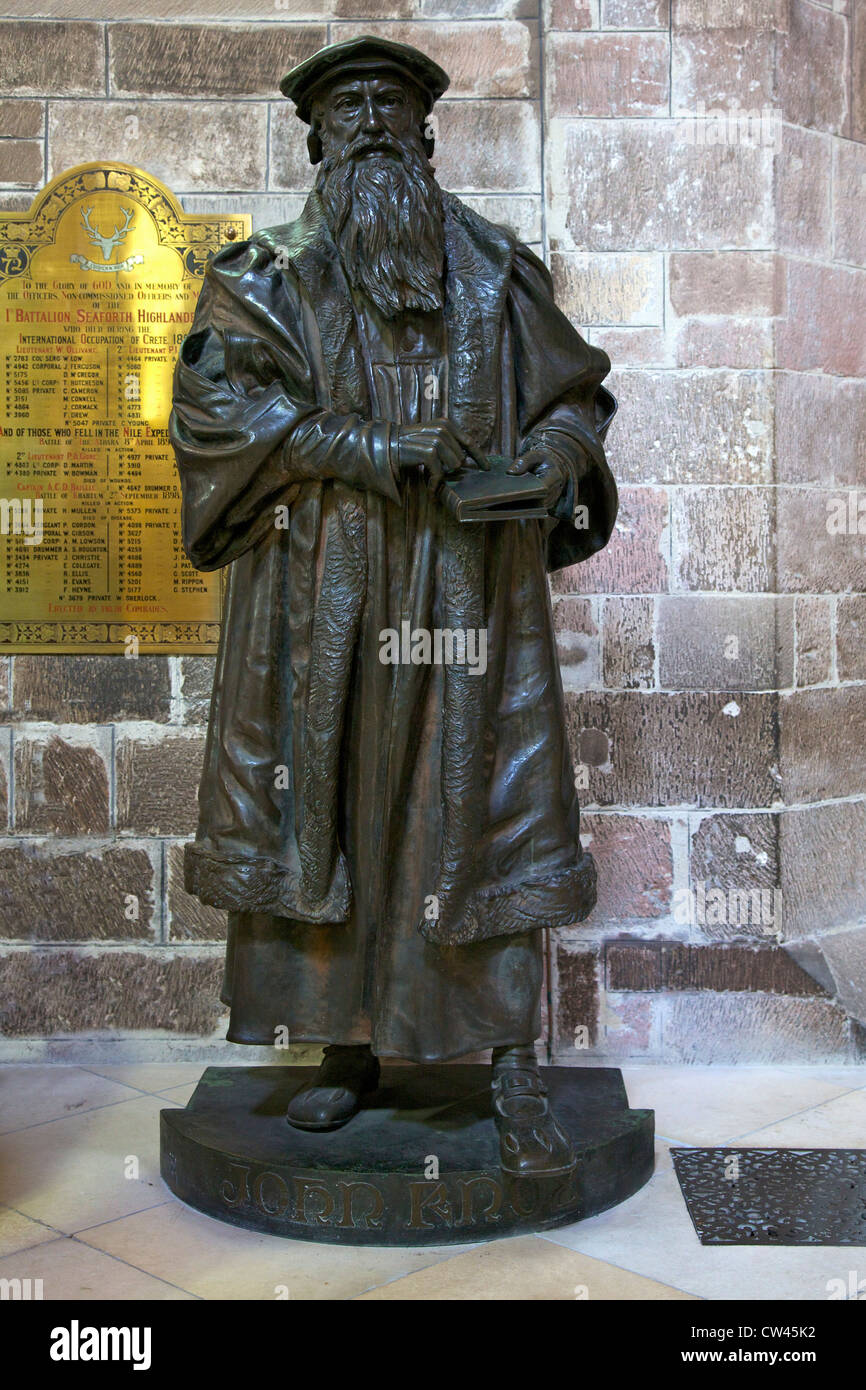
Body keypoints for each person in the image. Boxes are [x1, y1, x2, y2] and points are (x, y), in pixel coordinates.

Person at [170, 35, 617, 1176]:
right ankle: (343, 1045)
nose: (369, 125)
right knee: (328, 802)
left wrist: (555, 463)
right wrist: (372, 450)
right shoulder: (260, 274)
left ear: (425, 136)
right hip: (317, 593)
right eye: (346, 110)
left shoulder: (493, 271)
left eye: (390, 109)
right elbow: (223, 419)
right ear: (316, 139)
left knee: (474, 810)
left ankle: (509, 1060)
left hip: (468, 587)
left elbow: (575, 400)